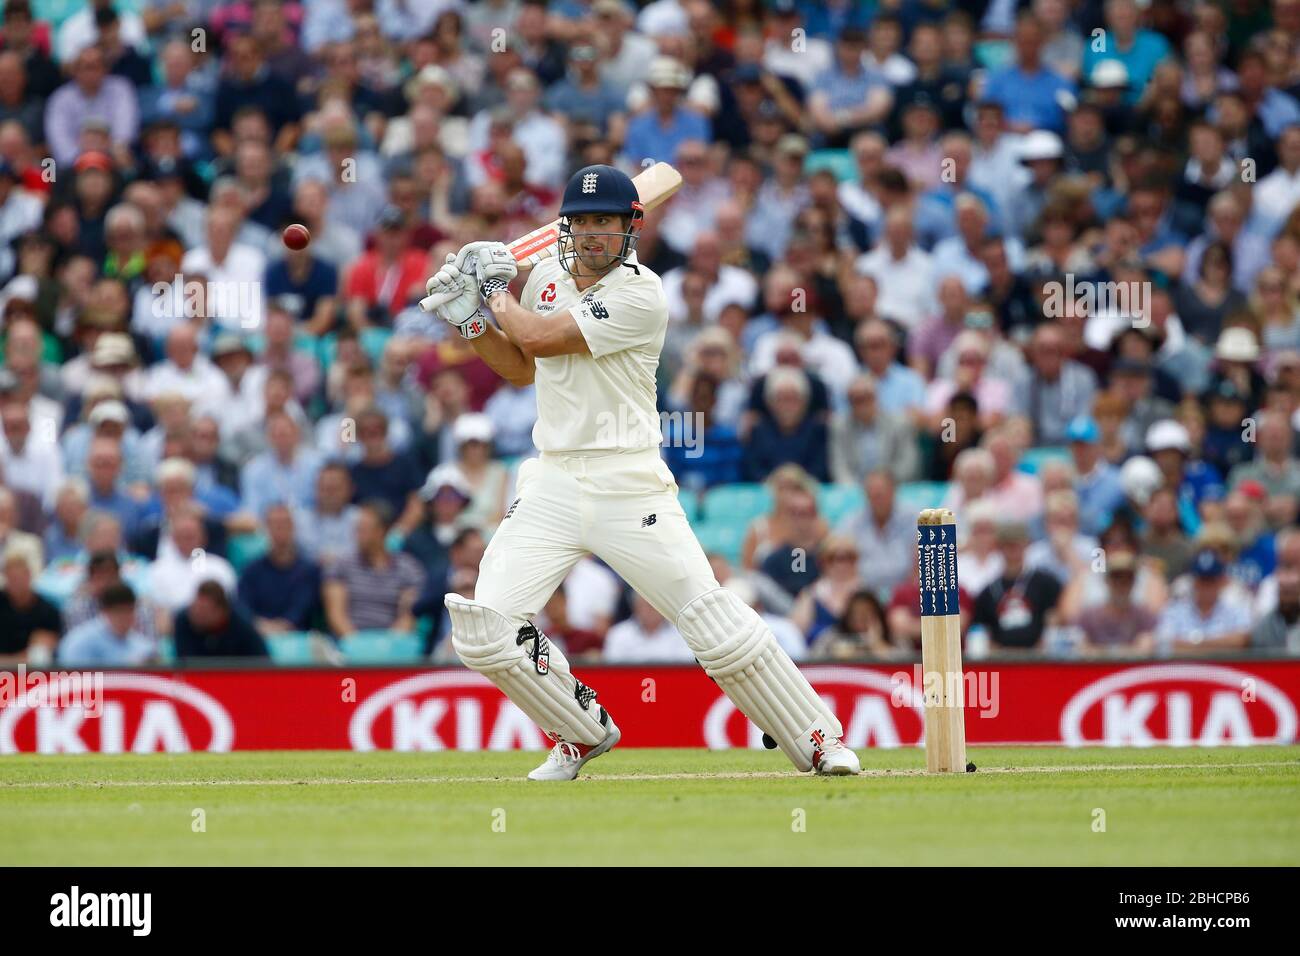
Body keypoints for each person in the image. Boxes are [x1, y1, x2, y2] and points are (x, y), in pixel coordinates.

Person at [422, 163, 859, 778]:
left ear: (631, 229)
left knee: (713, 624)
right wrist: (472, 322)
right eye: (582, 222)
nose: (594, 235)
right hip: (552, 478)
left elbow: (544, 338)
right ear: (566, 227)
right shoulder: (544, 273)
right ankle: (579, 732)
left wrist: (494, 292)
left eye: (607, 223)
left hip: (628, 481)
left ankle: (819, 739)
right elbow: (522, 366)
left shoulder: (641, 292)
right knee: (485, 630)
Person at [972, 520, 1063, 652]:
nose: (1012, 550)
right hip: (1002, 661)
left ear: (1027, 544)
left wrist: (1042, 648)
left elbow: (1055, 619)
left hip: (1040, 658)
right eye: (1007, 545)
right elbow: (982, 630)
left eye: (1017, 545)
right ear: (998, 547)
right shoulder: (988, 592)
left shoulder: (1046, 583)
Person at [1155, 549, 1251, 653]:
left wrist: (1194, 644)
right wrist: (1218, 644)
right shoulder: (1175, 610)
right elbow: (1165, 642)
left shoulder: (1235, 608)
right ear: (1193, 581)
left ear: (1222, 581)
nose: (1206, 586)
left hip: (1223, 668)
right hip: (1183, 667)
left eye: (1211, 581)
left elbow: (1241, 641)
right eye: (1202, 580)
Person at [57, 583, 156, 666]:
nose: (124, 618)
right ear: (105, 612)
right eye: (119, 612)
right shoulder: (78, 642)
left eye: (129, 611)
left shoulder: (142, 646)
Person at [173, 580, 269, 660]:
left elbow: (261, 663)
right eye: (195, 607)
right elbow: (184, 663)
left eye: (203, 611)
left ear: (221, 611)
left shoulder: (243, 627)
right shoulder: (184, 622)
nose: (196, 614)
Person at [601, 594, 694, 663]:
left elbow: (687, 668)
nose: (650, 609)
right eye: (645, 605)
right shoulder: (618, 634)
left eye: (655, 605)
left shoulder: (682, 633)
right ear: (635, 607)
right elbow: (613, 672)